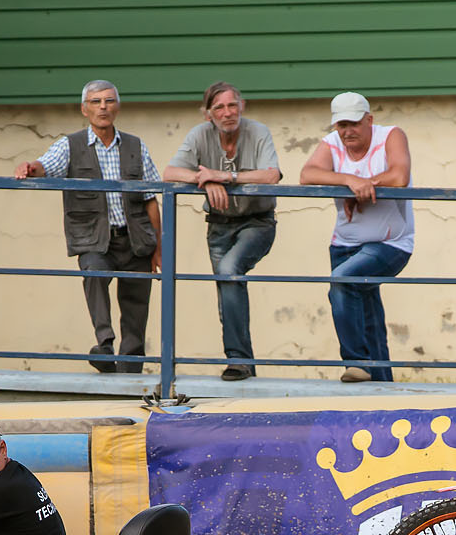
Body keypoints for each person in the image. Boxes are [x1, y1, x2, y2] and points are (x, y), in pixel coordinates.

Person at [15, 79, 161, 374]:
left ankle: (130, 367)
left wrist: (159, 247)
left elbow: (150, 199)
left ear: (117, 107)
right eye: (96, 102)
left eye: (108, 101)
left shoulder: (135, 146)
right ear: (84, 109)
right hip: (95, 240)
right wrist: (31, 167)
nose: (103, 107)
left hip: (135, 240)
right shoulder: (71, 145)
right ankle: (104, 344)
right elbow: (46, 165)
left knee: (136, 304)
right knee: (94, 272)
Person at [161, 82, 283, 382]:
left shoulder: (258, 131)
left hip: (258, 221)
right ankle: (242, 363)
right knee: (227, 288)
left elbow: (272, 175)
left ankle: (239, 359)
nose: (227, 113)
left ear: (242, 106)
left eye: (232, 105)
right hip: (219, 225)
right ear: (208, 115)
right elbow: (170, 172)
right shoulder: (199, 135)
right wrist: (205, 180)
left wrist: (225, 176)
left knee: (229, 271)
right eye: (219, 108)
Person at [299, 92, 411, 383]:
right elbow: (308, 173)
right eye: (341, 125)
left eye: (354, 124)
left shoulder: (390, 136)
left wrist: (366, 185)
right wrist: (350, 181)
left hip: (390, 243)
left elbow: (399, 176)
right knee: (370, 318)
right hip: (343, 244)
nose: (347, 131)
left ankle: (356, 362)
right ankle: (383, 384)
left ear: (369, 120)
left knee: (342, 281)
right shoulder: (332, 143)